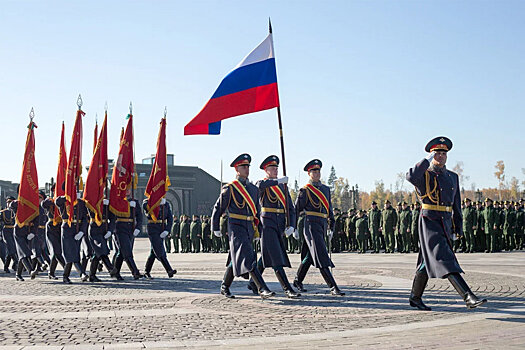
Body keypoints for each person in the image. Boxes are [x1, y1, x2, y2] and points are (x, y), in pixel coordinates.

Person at [406, 136, 487, 310]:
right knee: (444, 258)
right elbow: (411, 176)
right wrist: (426, 160)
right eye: (437, 153)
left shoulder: (452, 176)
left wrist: (458, 225)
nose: (441, 156)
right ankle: (468, 296)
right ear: (431, 155)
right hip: (429, 221)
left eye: (444, 153)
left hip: (445, 221)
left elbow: (456, 203)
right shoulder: (424, 174)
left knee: (425, 262)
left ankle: (415, 297)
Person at [212, 153, 274, 299]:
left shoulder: (253, 189)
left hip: (249, 227)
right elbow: (218, 208)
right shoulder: (230, 188)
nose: (246, 169)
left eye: (247, 166)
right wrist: (215, 227)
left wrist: (258, 231)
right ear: (236, 169)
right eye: (243, 166)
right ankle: (262, 288)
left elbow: (256, 212)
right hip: (235, 226)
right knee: (248, 256)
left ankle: (224, 285)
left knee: (237, 257)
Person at [247, 155, 300, 298]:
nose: (275, 170)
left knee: (268, 254)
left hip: (279, 224)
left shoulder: (282, 187)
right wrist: (277, 182)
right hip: (267, 223)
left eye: (276, 168)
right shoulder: (263, 183)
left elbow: (290, 208)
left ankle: (253, 282)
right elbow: (258, 187)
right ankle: (287, 288)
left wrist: (291, 225)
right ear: (266, 170)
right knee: (276, 255)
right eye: (272, 168)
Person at [293, 159, 345, 296]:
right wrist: (293, 227)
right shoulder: (304, 191)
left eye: (318, 171)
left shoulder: (325, 189)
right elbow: (296, 209)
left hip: (322, 224)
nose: (317, 173)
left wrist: (331, 225)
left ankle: (298, 280)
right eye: (314, 171)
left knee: (311, 256)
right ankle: (332, 286)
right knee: (321, 254)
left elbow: (329, 208)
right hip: (310, 225)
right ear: (309, 173)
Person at [110, 188, 143, 280]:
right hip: (120, 228)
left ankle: (115, 272)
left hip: (130, 229)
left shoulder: (135, 202)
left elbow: (139, 216)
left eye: (129, 189)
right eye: (126, 189)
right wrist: (127, 206)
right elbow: (112, 215)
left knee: (122, 252)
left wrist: (138, 228)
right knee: (127, 251)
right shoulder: (117, 202)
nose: (128, 191)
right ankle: (135, 272)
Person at [142, 198, 176, 279]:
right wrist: (157, 203)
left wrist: (167, 230)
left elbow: (170, 219)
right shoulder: (147, 202)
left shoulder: (166, 204)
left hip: (162, 228)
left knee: (154, 251)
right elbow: (147, 210)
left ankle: (147, 271)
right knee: (159, 249)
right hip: (153, 228)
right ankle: (169, 270)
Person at [0, 196, 18, 274]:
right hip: (6, 231)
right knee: (11, 247)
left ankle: (6, 267)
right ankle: (17, 262)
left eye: (10, 202)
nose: (9, 203)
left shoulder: (17, 212)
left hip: (14, 231)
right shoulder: (3, 212)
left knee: (11, 250)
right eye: (8, 202)